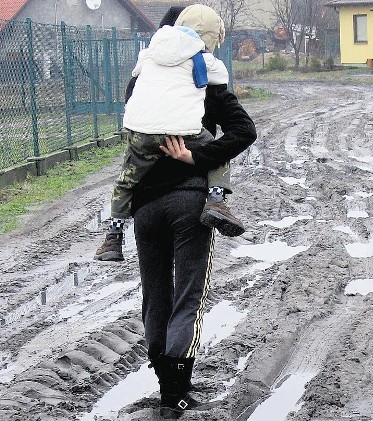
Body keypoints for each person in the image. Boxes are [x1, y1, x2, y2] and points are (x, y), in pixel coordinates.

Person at [113, 5, 256, 417]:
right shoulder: (207, 80)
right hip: (191, 201)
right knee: (188, 297)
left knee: (155, 297)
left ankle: (167, 387)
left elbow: (134, 123)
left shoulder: (144, 76)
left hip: (144, 206)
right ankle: (178, 393)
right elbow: (245, 131)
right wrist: (197, 156)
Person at [94, 4, 243, 262]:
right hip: (182, 133)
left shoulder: (149, 54)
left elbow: (134, 82)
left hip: (141, 133)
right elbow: (220, 78)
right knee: (216, 152)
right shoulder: (201, 56)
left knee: (125, 180)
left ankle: (113, 237)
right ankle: (217, 200)